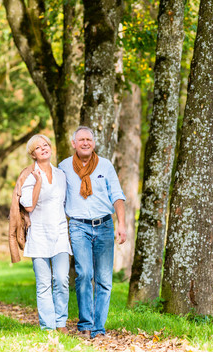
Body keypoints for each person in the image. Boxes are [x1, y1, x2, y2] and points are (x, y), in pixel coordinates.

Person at [58, 126, 127, 339]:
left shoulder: (105, 166)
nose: (85, 143)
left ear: (94, 143)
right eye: (81, 140)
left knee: (104, 279)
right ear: (74, 143)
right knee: (85, 274)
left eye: (89, 139)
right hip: (78, 226)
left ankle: (98, 328)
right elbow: (57, 196)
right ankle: (85, 324)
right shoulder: (64, 167)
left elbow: (117, 195)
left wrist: (122, 224)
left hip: (105, 226)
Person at [9, 134, 71, 333]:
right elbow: (28, 205)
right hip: (39, 235)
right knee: (44, 284)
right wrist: (37, 183)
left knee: (61, 279)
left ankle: (61, 323)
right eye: (38, 147)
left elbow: (65, 203)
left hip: (60, 233)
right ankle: (48, 328)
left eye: (45, 145)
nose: (44, 148)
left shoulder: (61, 174)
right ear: (33, 154)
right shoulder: (29, 175)